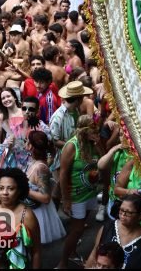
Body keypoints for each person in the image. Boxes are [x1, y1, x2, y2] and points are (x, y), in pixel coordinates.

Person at [57, 115, 104, 269]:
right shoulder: (72, 146)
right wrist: (66, 199)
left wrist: (98, 144)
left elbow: (103, 162)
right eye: (93, 129)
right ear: (84, 130)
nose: (96, 132)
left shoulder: (93, 143)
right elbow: (63, 173)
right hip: (76, 195)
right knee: (76, 230)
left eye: (97, 129)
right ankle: (63, 261)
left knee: (82, 224)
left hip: (90, 192)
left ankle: (72, 252)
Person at [0, 168, 42, 269]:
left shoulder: (27, 216)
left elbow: (36, 252)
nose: (5, 192)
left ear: (19, 190)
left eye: (11, 189)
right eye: (1, 188)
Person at [86, 194, 141, 269]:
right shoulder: (107, 228)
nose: (123, 215)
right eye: (121, 210)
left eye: (128, 212)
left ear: (140, 215)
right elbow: (94, 253)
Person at [25, 130, 65, 245]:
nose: (25, 144)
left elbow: (45, 198)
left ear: (32, 147)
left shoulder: (40, 168)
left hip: (38, 214)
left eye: (27, 141)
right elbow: (50, 159)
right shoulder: (36, 163)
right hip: (32, 211)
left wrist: (24, 189)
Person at [0, 88, 31, 171]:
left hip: (24, 151)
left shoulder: (24, 112)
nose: (6, 99)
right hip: (9, 152)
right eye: (3, 98)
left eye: (8, 96)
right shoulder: (1, 117)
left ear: (14, 97)